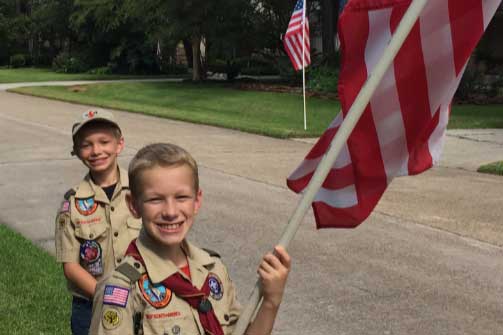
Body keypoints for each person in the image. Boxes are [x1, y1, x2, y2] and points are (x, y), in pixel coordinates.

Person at [90, 143, 291, 335]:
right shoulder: (122, 288)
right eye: (155, 199)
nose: (170, 212)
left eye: (181, 197)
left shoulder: (213, 270)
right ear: (133, 205)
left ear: (197, 201)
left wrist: (271, 301)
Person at [54, 109, 142, 335]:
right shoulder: (72, 203)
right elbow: (71, 267)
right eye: (86, 144)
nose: (96, 151)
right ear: (76, 151)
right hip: (90, 306)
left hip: (143, 301)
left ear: (119, 144)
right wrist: (111, 297)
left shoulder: (142, 190)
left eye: (104, 141)